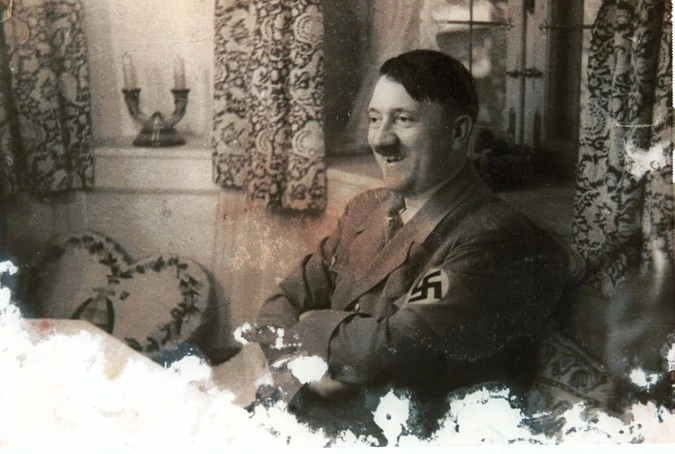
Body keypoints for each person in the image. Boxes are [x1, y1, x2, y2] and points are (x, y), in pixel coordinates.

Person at [250, 49, 568, 441]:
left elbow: (388, 350)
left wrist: (308, 324)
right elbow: (279, 302)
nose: (381, 140)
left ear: (458, 132)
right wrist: (299, 368)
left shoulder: (490, 234)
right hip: (319, 411)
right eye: (374, 119)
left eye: (403, 119)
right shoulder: (365, 209)